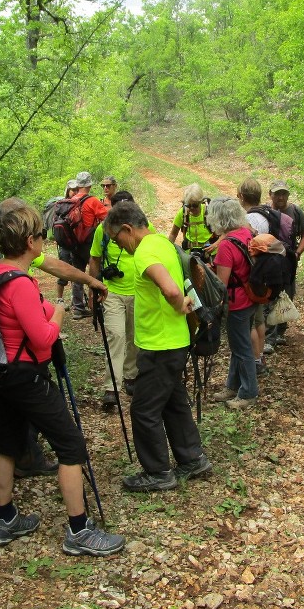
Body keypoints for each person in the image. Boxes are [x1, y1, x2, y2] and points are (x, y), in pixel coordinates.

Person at [0, 200, 125, 556]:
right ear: (30, 241)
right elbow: (44, 341)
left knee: (8, 446)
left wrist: (48, 308)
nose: (44, 241)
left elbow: (25, 313)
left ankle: (6, 518)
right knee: (71, 446)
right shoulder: (20, 284)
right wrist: (59, 311)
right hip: (27, 378)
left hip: (0, 374)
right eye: (41, 235)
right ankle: (79, 530)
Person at [0, 199, 108, 476]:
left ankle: (27, 461)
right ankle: (26, 462)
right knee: (42, 425)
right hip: (2, 359)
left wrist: (89, 280)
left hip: (9, 359)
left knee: (14, 422)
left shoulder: (12, 252)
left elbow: (53, 265)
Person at [103, 201, 212, 491]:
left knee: (144, 410)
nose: (120, 246)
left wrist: (179, 304)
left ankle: (158, 473)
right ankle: (192, 459)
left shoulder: (144, 252)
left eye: (117, 239)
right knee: (174, 403)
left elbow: (172, 289)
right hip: (175, 341)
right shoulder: (162, 243)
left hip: (160, 345)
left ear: (127, 229)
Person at [205, 196, 260, 410]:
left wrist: (209, 272)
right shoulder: (245, 232)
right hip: (251, 297)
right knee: (240, 345)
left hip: (237, 303)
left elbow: (222, 284)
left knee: (241, 348)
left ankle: (248, 393)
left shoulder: (227, 245)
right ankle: (233, 385)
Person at [88, 190, 140, 410]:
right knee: (116, 335)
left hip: (138, 291)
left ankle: (130, 375)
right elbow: (95, 258)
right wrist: (93, 287)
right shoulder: (104, 230)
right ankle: (112, 387)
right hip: (112, 292)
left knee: (134, 336)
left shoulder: (144, 228)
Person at [266, 180, 304, 346]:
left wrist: (298, 253)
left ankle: (280, 331)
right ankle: (269, 335)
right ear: (270, 194)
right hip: (269, 261)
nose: (281, 197)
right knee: (270, 295)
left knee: (287, 294)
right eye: (277, 193)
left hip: (289, 260)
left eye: (284, 193)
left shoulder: (296, 211)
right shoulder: (265, 212)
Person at [66, 171, 110, 320]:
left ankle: (78, 308)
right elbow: (107, 219)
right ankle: (99, 304)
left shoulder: (71, 200)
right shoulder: (93, 201)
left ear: (78, 185)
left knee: (77, 273)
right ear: (90, 185)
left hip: (74, 243)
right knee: (97, 272)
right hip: (89, 242)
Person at [237, 178, 272, 362]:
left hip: (252, 275)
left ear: (242, 196)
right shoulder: (267, 213)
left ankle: (254, 359)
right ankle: (258, 357)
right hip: (264, 272)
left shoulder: (249, 219)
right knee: (259, 319)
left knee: (251, 321)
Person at [167, 183, 215, 253]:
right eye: (188, 205)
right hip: (190, 251)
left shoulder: (210, 211)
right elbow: (173, 234)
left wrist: (215, 245)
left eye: (195, 205)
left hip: (210, 250)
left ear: (201, 201)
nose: (192, 208)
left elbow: (226, 231)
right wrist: (168, 250)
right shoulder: (183, 213)